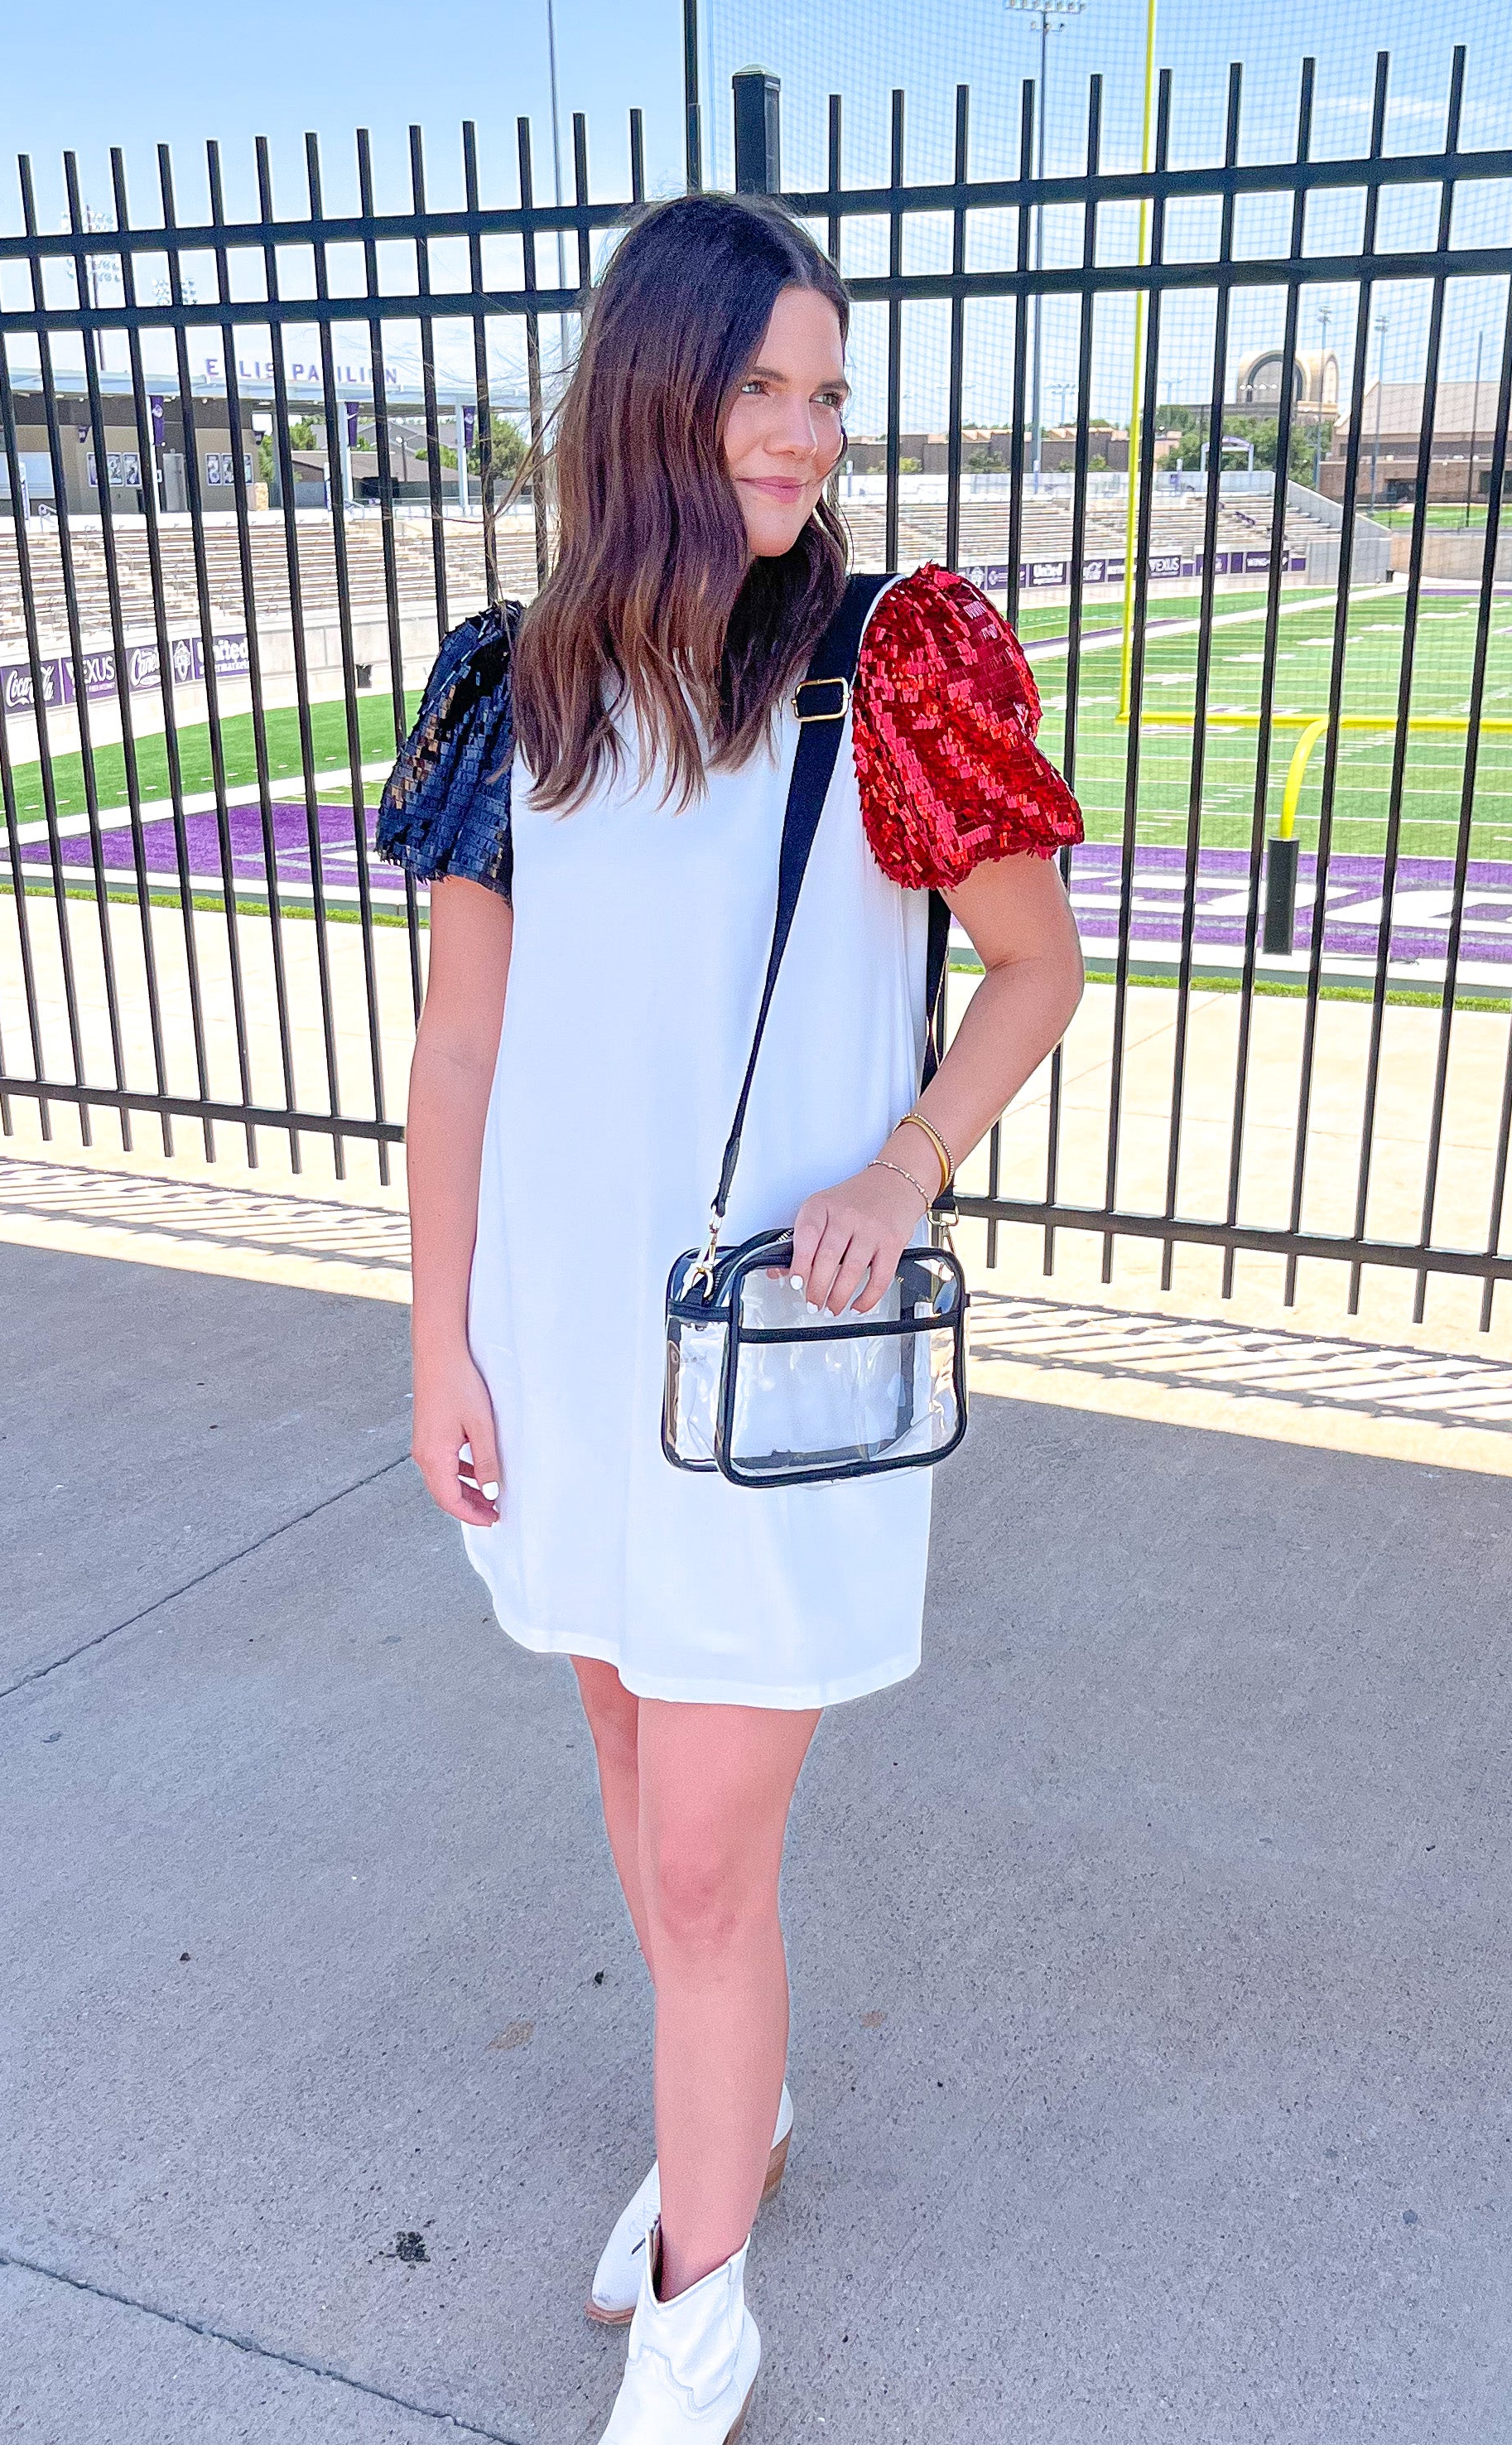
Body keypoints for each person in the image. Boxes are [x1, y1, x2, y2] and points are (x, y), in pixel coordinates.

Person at [378, 192, 1085, 2443]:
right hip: (564, 1348)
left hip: (774, 1363)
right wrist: (436, 1341)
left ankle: (707, 2303)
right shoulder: (523, 679)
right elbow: (464, 1048)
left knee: (702, 1858)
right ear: (649, 399)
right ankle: (730, 2119)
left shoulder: (897, 659)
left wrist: (900, 1167)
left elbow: (1037, 964)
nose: (804, 431)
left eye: (824, 390)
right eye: (760, 385)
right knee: (619, 1760)